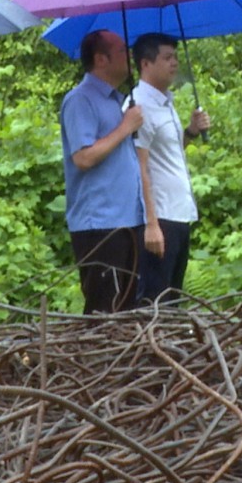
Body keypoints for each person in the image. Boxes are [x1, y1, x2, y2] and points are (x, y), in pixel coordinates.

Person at [60, 29, 146, 313]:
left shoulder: (116, 101)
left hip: (127, 220)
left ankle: (126, 359)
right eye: (122, 51)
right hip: (99, 225)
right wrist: (124, 128)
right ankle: (97, 359)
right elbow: (83, 158)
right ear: (101, 59)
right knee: (104, 309)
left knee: (127, 308)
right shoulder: (79, 100)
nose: (130, 56)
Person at [131, 33, 211, 303]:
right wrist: (151, 225)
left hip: (179, 214)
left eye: (175, 57)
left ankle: (170, 345)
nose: (174, 63)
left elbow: (168, 152)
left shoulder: (165, 102)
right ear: (146, 64)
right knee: (155, 301)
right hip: (160, 217)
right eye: (167, 58)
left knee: (173, 299)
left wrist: (190, 132)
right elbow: (139, 166)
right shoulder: (138, 106)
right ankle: (152, 346)